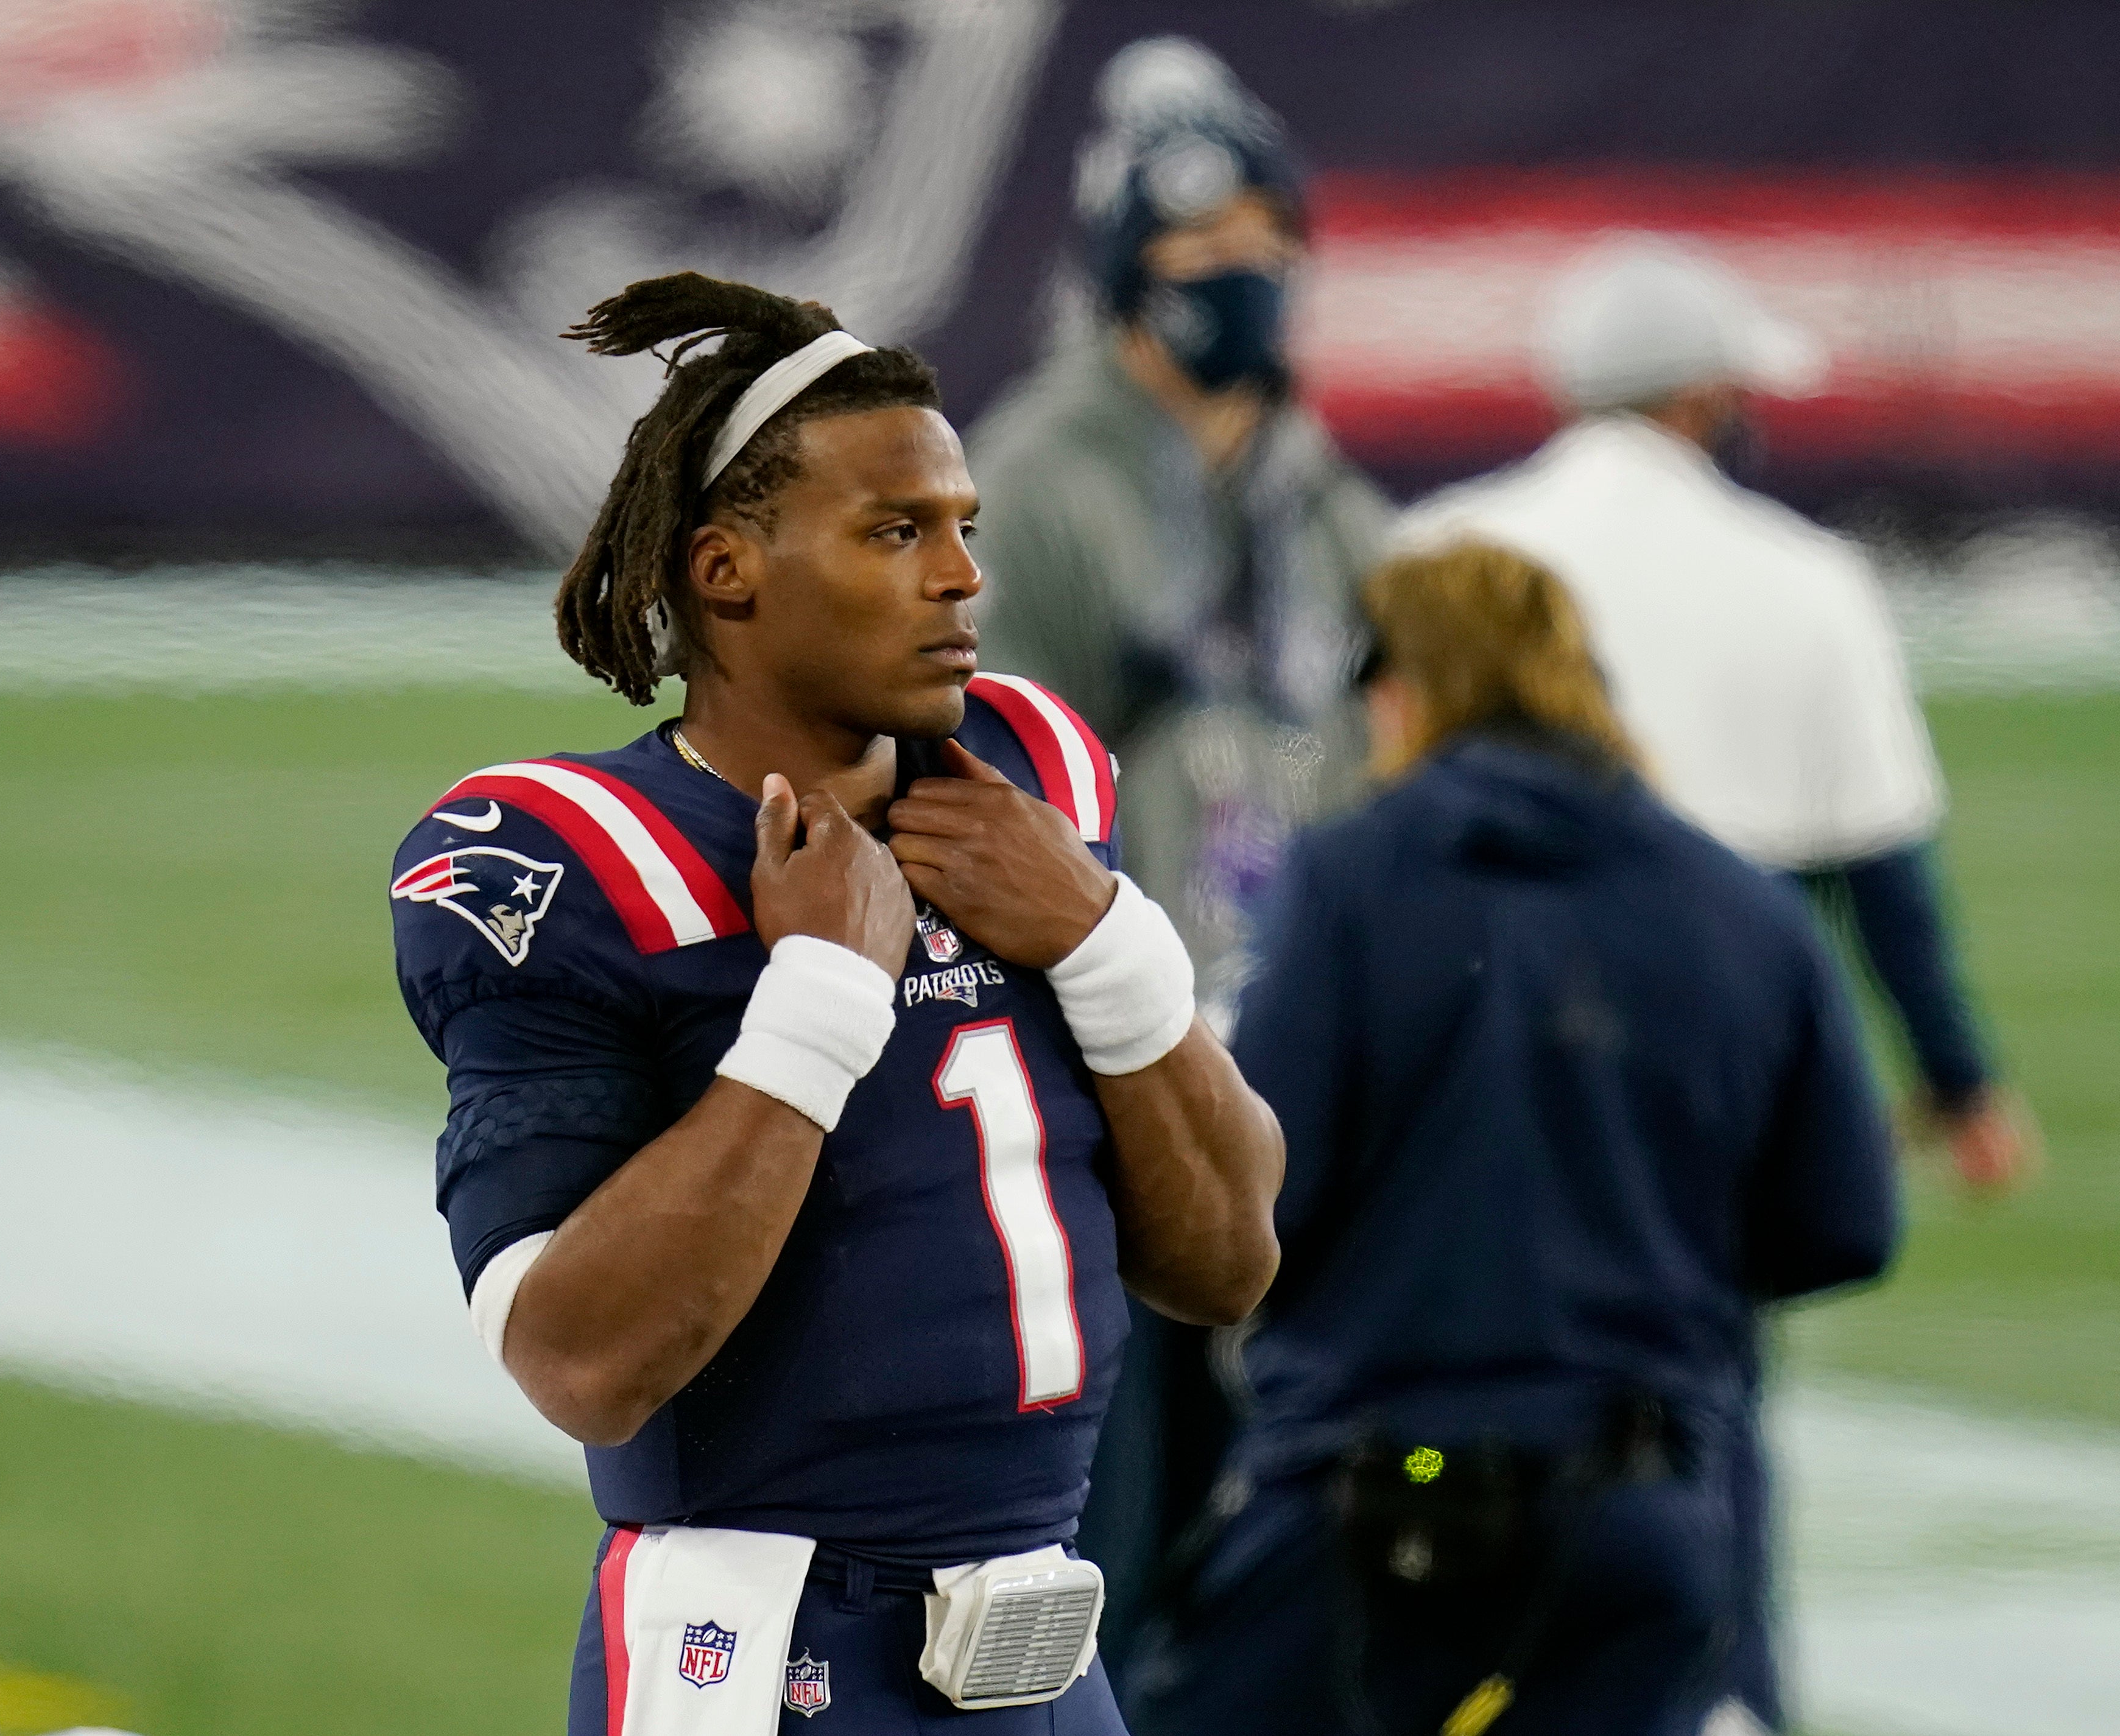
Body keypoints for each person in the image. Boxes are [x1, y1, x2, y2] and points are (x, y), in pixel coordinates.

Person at [387, 272, 1284, 1735]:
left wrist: (1108, 944)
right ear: (727, 570)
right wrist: (814, 1002)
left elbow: (1230, 1262)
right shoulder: (576, 860)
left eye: (961, 530)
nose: (960, 577)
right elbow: (579, 1360)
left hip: (1047, 1647)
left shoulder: (1034, 777)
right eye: (895, 531)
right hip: (762, 1655)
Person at [1398, 239, 2030, 1735]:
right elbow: (1885, 869)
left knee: (1441, 1383)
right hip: (1715, 1067)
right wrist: (1959, 1078)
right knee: (1705, 1400)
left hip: (1472, 1036)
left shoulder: (1438, 548)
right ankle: (1718, 1694)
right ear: (1696, 398)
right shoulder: (1804, 577)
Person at [1128, 542, 1899, 1736]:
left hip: (1390, 1483)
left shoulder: (1349, 882)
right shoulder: (1743, 904)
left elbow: (1265, 1192)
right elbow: (1844, 1222)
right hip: (1640, 1503)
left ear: (1408, 688)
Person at [962, 34, 1389, 1653]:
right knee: (1106, 1531)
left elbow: (1379, 726)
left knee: (1269, 1531)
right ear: (1125, 277)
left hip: (1279, 1027)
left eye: (1261, 255)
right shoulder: (1035, 478)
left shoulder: (1308, 479)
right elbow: (985, 785)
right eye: (1199, 260)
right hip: (1108, 1053)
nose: (1241, 287)